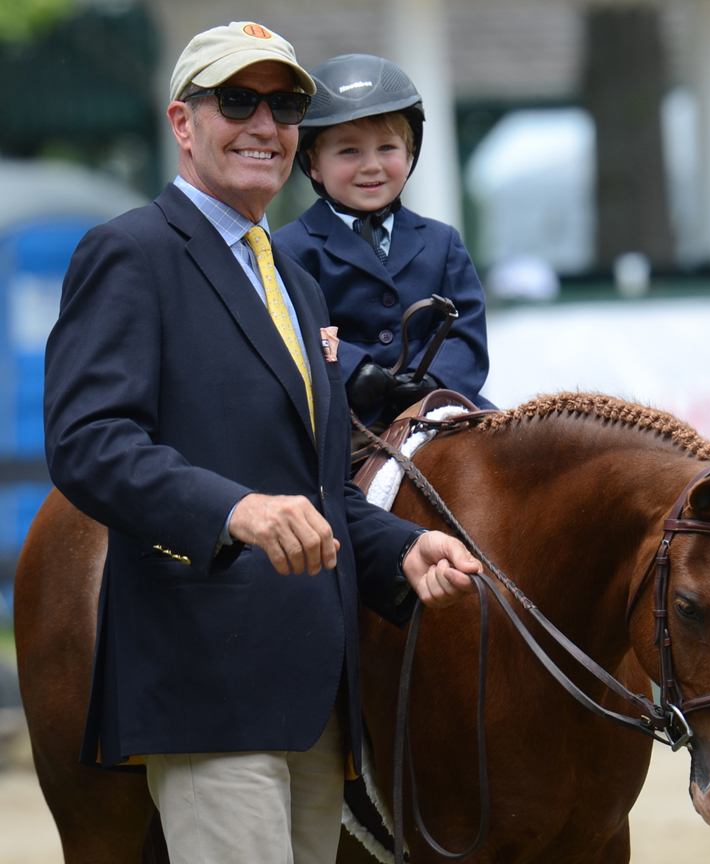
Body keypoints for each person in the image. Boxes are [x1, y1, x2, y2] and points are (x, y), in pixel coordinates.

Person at [43, 21, 480, 864]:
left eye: (284, 106)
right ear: (183, 122)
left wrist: (404, 549)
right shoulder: (129, 251)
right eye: (237, 99)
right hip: (208, 686)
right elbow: (88, 444)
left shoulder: (297, 281)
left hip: (317, 695)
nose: (264, 123)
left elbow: (318, 489)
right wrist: (234, 511)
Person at [273, 54, 494, 431]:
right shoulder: (290, 249)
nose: (371, 165)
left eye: (387, 149)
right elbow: (300, 331)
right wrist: (351, 369)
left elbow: (465, 330)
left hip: (438, 411)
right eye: (349, 151)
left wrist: (435, 380)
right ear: (313, 165)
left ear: (409, 156)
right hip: (345, 420)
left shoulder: (443, 241)